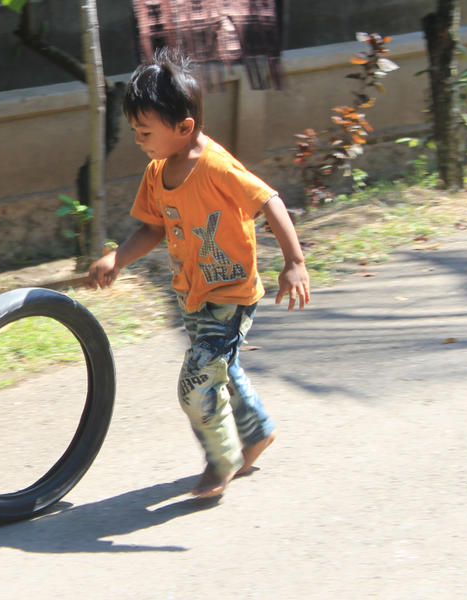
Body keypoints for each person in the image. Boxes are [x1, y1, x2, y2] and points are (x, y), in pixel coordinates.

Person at [86, 48, 311, 498]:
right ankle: (257, 431)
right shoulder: (156, 173)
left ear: (184, 127)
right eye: (135, 130)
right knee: (221, 366)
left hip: (230, 293)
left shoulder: (217, 168)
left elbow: (270, 201)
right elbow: (152, 228)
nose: (138, 140)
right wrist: (117, 259)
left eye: (145, 131)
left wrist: (295, 262)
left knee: (196, 382)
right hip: (193, 292)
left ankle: (222, 458)